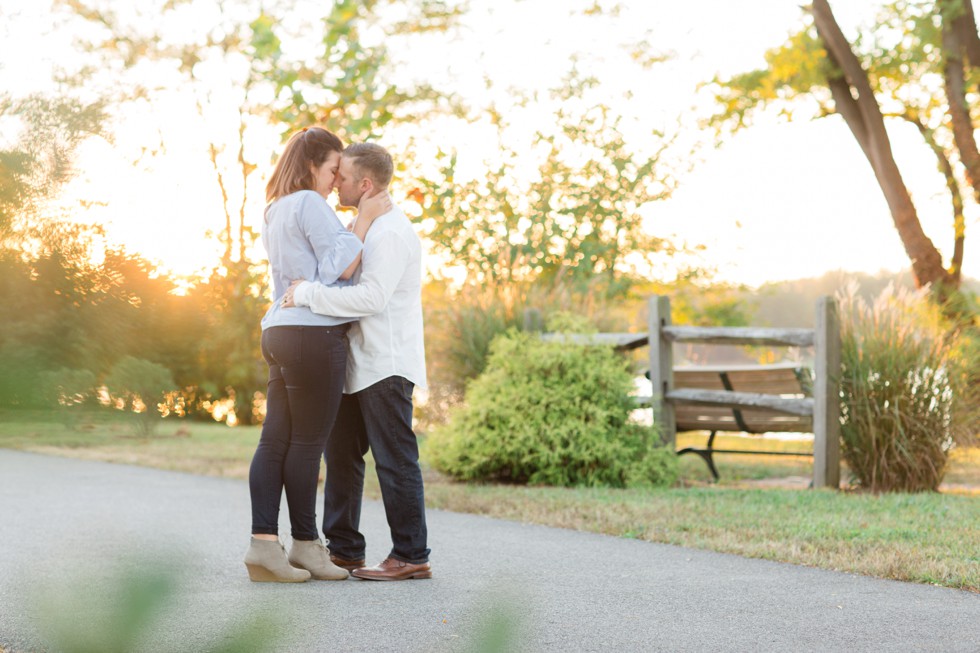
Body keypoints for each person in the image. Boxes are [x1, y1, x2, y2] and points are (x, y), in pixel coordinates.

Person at [244, 128, 390, 583]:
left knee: (274, 440)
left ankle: (264, 546)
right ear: (312, 165)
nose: (334, 180)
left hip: (278, 333)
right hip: (313, 334)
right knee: (308, 445)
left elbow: (314, 267)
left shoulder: (274, 208)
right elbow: (342, 267)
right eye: (331, 169)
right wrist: (363, 221)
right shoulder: (310, 202)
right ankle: (307, 545)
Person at [282, 142, 431, 581]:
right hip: (353, 363)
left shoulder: (390, 232)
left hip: (385, 364)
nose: (335, 183)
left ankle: (411, 554)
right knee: (341, 457)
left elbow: (370, 298)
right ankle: (345, 550)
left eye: (342, 177)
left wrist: (305, 293)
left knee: (394, 459)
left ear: (364, 184)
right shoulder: (363, 225)